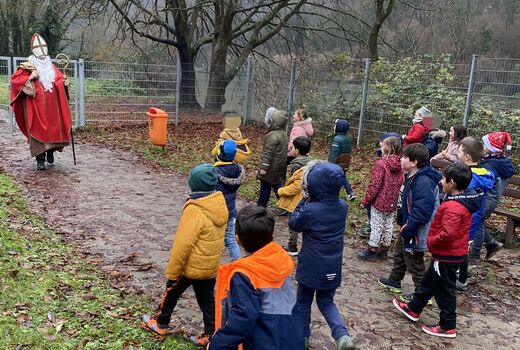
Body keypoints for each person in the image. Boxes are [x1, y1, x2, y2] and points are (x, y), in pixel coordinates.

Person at [140, 164, 228, 347]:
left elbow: (183, 244)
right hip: (208, 267)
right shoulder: (219, 204)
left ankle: (160, 323)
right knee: (207, 302)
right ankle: (210, 335)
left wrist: (173, 272)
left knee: (171, 292)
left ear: (193, 185)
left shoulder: (194, 209)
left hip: (189, 267)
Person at [393, 163, 482, 338]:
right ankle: (414, 308)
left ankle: (447, 325)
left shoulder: (454, 207)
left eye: (443, 179)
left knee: (444, 291)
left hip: (447, 255)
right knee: (429, 282)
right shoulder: (457, 201)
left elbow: (448, 233)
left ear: (452, 183)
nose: (441, 182)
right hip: (446, 254)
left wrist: (431, 241)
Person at [208, 206, 305, 349]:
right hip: (292, 336)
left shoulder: (245, 274)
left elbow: (243, 317)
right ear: (271, 235)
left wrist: (218, 344)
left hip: (264, 341)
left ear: (237, 239)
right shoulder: (279, 260)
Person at [289, 161, 355, 350]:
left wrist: (303, 200)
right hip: (332, 267)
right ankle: (342, 336)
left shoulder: (310, 210)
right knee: (326, 301)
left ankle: (303, 339)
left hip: (311, 266)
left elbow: (294, 222)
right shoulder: (342, 207)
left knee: (303, 301)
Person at [378, 143, 441, 302]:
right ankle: (394, 280)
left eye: (405, 157)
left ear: (414, 162)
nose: (401, 159)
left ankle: (422, 294)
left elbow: (422, 210)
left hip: (416, 229)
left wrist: (410, 227)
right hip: (408, 226)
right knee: (400, 251)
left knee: (414, 260)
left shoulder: (422, 182)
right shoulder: (412, 176)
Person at [10, 33, 71, 170]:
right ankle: (40, 159)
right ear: (35, 53)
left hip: (53, 108)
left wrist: (65, 83)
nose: (43, 57)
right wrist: (30, 77)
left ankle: (50, 152)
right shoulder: (27, 67)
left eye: (44, 54)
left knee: (54, 131)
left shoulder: (52, 67)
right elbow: (15, 81)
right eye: (40, 54)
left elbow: (59, 80)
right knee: (38, 132)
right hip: (36, 108)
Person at [455, 137, 495, 291]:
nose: (457, 154)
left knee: (460, 248)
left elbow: (462, 198)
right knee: (463, 247)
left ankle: (461, 278)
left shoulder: (469, 177)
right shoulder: (483, 173)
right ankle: (460, 275)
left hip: (465, 217)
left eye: (459, 151)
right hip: (473, 217)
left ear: (467, 156)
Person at [358, 136, 404, 261]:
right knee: (388, 225)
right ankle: (384, 249)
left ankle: (372, 249)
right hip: (392, 200)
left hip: (379, 201)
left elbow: (375, 184)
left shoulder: (381, 164)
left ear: (386, 147)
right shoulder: (401, 164)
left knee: (376, 224)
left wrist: (367, 200)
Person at [477, 132, 516, 259]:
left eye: (484, 144)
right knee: (478, 222)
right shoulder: (498, 160)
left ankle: (474, 256)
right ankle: (491, 243)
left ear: (491, 148)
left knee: (477, 222)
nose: (482, 146)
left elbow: (485, 184)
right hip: (491, 199)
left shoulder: (490, 165)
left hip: (486, 199)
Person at [277, 136, 312, 255]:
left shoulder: (296, 164)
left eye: (292, 148)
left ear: (296, 151)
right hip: (308, 196)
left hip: (297, 198)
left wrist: (282, 190)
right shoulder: (311, 162)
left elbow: (296, 184)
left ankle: (292, 245)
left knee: (293, 221)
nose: (291, 149)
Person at [214, 140, 245, 261]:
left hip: (216, 211)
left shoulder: (215, 172)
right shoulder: (237, 170)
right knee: (231, 239)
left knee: (212, 239)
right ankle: (237, 263)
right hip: (231, 212)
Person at [256, 108, 288, 208]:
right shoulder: (283, 134)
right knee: (276, 186)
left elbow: (268, 153)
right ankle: (285, 204)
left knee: (265, 186)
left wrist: (264, 167)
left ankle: (261, 206)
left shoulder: (272, 136)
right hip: (279, 167)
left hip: (270, 168)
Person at [327, 118, 356, 201]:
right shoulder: (347, 138)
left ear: (339, 127)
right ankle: (350, 192)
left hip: (337, 163)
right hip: (345, 162)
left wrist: (330, 164)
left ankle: (332, 194)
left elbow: (334, 153)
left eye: (335, 125)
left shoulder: (337, 139)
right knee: (342, 177)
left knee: (335, 177)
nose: (334, 127)